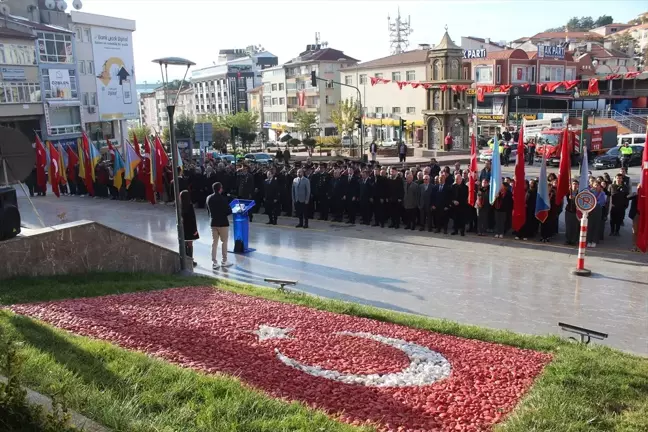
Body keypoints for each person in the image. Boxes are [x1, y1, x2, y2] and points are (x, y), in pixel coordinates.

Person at [206, 182, 233, 270]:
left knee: (214, 243)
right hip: (223, 223)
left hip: (213, 222)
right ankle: (224, 261)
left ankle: (214, 262)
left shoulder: (208, 198)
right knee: (224, 242)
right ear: (220, 189)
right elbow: (228, 211)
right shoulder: (223, 199)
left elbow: (208, 210)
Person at [180, 190, 199, 267]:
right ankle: (190, 260)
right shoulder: (190, 206)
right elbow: (193, 219)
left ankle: (184, 259)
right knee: (190, 244)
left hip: (183, 227)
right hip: (190, 228)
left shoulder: (180, 206)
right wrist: (195, 230)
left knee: (184, 244)